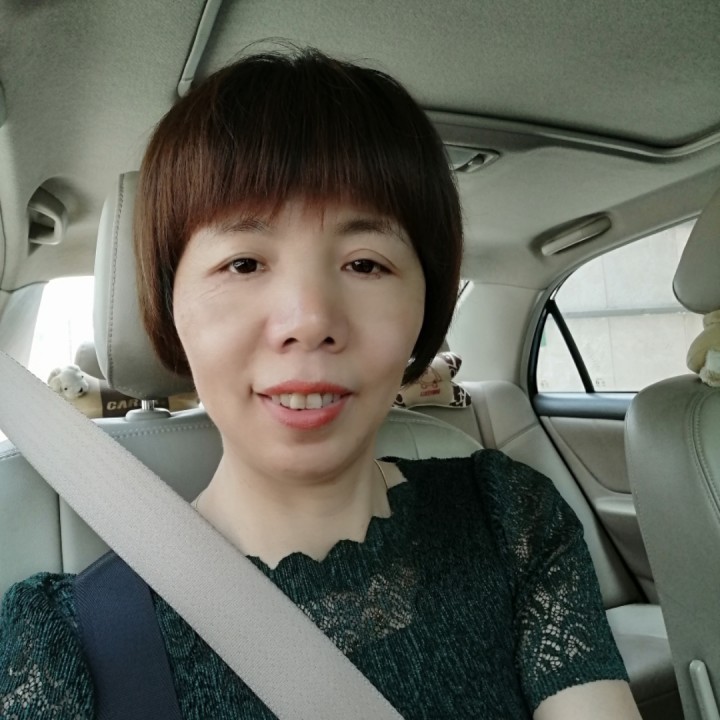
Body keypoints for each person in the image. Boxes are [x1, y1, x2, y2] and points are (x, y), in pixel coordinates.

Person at [0, 48, 640, 719]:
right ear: (169, 305)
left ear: (426, 303)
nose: (309, 321)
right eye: (244, 263)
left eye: (365, 264)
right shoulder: (67, 644)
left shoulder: (512, 519)